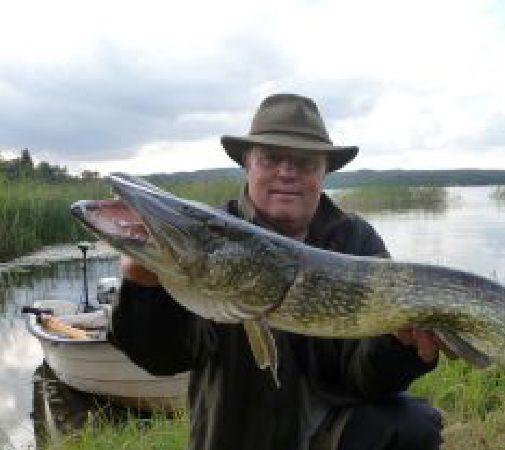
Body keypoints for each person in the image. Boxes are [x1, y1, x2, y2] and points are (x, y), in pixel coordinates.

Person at [109, 93, 444, 450]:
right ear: (248, 164)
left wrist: (397, 346)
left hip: (331, 435)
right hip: (235, 437)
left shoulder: (355, 241)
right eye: (271, 158)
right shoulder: (210, 240)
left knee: (412, 426)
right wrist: (145, 292)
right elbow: (163, 358)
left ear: (323, 172)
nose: (287, 172)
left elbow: (365, 378)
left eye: (304, 162)